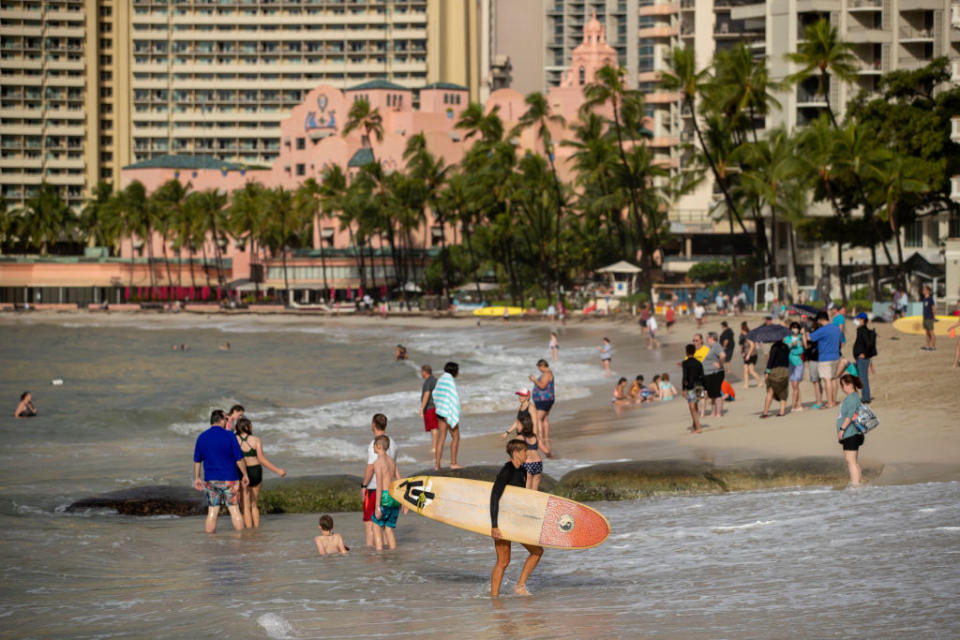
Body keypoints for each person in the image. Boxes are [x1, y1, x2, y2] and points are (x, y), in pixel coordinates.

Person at [490, 439, 543, 597]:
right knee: (503, 561)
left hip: (516, 520)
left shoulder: (522, 470)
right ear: (515, 453)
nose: (527, 454)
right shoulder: (507, 471)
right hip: (503, 521)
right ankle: (494, 598)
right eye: (524, 451)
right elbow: (494, 497)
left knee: (537, 551)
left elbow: (520, 498)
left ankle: (519, 586)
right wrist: (494, 525)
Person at [193, 409, 250, 533]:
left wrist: (197, 477)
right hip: (230, 478)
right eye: (226, 419)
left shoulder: (202, 437)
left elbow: (197, 460)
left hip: (211, 479)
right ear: (221, 420)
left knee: (212, 512)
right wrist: (245, 474)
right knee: (234, 510)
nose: (227, 422)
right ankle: (240, 541)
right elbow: (239, 458)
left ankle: (210, 541)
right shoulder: (229, 435)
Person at [235, 417, 286, 528]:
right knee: (254, 504)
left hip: (242, 472)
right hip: (256, 471)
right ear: (247, 427)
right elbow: (262, 459)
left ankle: (249, 533)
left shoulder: (234, 439)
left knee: (245, 506)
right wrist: (278, 470)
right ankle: (256, 530)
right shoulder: (256, 440)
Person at [360, 414, 397, 546]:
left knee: (370, 524)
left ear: (373, 424)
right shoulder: (392, 442)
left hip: (375, 489)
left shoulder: (374, 444)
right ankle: (389, 553)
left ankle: (373, 556)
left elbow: (370, 468)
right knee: (386, 527)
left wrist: (363, 486)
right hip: (391, 490)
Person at [371, 434, 403, 550]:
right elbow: (400, 480)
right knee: (388, 528)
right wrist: (403, 502)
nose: (373, 448)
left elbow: (379, 485)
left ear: (378, 446)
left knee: (375, 525)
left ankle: (379, 554)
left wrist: (377, 507)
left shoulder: (378, 463)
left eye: (374, 446)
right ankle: (393, 554)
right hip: (395, 497)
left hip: (385, 497)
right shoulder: (392, 461)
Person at [835, 374, 866, 486]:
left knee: (850, 461)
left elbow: (850, 415)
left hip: (851, 433)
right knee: (853, 461)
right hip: (852, 434)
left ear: (852, 384)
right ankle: (858, 483)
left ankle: (855, 484)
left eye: (846, 384)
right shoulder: (852, 397)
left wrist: (842, 429)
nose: (844, 388)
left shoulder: (853, 397)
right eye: (843, 385)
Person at [432, 362, 463, 470]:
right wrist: (452, 413)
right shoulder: (450, 381)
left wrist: (441, 407)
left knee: (441, 438)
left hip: (440, 412)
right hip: (447, 413)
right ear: (455, 371)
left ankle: (437, 465)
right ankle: (453, 463)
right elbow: (453, 398)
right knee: (456, 437)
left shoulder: (441, 379)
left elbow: (435, 394)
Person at [809, 311, 843, 408]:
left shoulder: (822, 330)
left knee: (827, 380)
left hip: (825, 358)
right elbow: (840, 341)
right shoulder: (836, 328)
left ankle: (829, 402)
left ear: (820, 320)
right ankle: (834, 401)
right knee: (834, 379)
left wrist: (804, 333)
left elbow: (810, 338)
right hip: (836, 356)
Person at [528, 359, 555, 453]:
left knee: (538, 419)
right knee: (545, 419)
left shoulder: (547, 374)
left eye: (539, 367)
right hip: (546, 399)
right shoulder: (549, 373)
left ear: (542, 366)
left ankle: (540, 437)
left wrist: (534, 380)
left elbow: (542, 386)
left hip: (544, 400)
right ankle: (545, 438)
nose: (539, 369)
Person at [518, 413, 549, 491]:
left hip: (527, 464)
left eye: (518, 424)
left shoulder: (520, 438)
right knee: (535, 490)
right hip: (538, 463)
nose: (517, 426)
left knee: (527, 489)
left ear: (523, 426)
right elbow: (546, 451)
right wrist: (550, 455)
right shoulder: (536, 437)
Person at [761, 340, 791, 418]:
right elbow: (787, 359)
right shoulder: (786, 347)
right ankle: (782, 412)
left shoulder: (774, 347)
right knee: (783, 391)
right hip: (785, 370)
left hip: (775, 371)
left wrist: (767, 371)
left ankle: (765, 413)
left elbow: (771, 360)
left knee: (770, 391)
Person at [851, 312, 877, 404]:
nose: (857, 321)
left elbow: (869, 344)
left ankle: (866, 398)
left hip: (862, 359)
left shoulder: (862, 330)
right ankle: (865, 397)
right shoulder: (861, 329)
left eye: (858, 319)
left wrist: (864, 354)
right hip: (861, 358)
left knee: (863, 378)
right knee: (863, 378)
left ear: (862, 320)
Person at [700, 332, 726, 418]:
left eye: (707, 337)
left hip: (715, 373)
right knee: (712, 394)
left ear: (712, 338)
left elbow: (723, 355)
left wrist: (720, 365)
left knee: (716, 393)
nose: (706, 339)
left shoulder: (716, 346)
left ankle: (718, 413)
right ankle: (713, 413)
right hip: (709, 373)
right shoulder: (712, 347)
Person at [783, 322, 806, 413]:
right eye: (793, 327)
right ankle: (799, 405)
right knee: (794, 386)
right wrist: (791, 345)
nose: (794, 329)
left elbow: (802, 349)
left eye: (796, 328)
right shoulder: (788, 338)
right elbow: (785, 348)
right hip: (790, 363)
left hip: (798, 363)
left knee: (796, 384)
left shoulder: (800, 337)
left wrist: (802, 337)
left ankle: (793, 406)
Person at [682, 344, 704, 433]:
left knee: (692, 407)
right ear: (694, 352)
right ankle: (694, 425)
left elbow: (685, 376)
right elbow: (702, 376)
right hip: (699, 386)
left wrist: (683, 389)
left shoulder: (685, 363)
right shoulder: (699, 363)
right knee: (695, 406)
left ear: (686, 352)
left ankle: (698, 427)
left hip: (691, 387)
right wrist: (705, 389)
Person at [419, 365, 440, 455]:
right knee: (434, 427)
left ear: (424, 372)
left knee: (433, 428)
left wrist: (421, 409)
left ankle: (435, 447)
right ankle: (436, 446)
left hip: (430, 406)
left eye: (421, 372)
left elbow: (426, 394)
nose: (421, 373)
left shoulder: (427, 382)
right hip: (437, 405)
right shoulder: (436, 380)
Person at [740, 323, 763, 389]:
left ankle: (760, 382)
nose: (740, 331)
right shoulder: (744, 337)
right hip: (747, 355)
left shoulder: (748, 336)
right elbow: (744, 346)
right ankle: (746, 385)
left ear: (743, 330)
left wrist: (748, 355)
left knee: (751, 371)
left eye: (741, 329)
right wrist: (743, 353)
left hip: (752, 355)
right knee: (745, 370)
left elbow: (752, 345)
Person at [921, 284, 936, 351]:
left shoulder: (930, 299)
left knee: (931, 333)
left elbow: (934, 309)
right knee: (927, 333)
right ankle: (927, 346)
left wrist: (934, 317)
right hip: (925, 318)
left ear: (927, 291)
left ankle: (933, 347)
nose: (923, 291)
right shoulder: (924, 299)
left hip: (930, 318)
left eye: (924, 290)